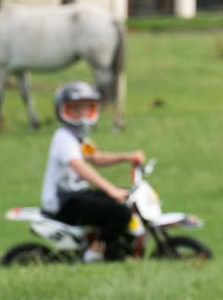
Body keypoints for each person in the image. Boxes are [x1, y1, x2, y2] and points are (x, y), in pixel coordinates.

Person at [41, 80, 145, 262]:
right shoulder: (63, 138)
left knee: (125, 201)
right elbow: (80, 167)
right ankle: (95, 253)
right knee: (119, 212)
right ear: (62, 112)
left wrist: (127, 157)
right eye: (74, 110)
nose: (81, 116)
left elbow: (95, 158)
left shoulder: (79, 138)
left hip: (76, 194)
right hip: (63, 200)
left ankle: (114, 248)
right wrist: (110, 189)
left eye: (86, 109)